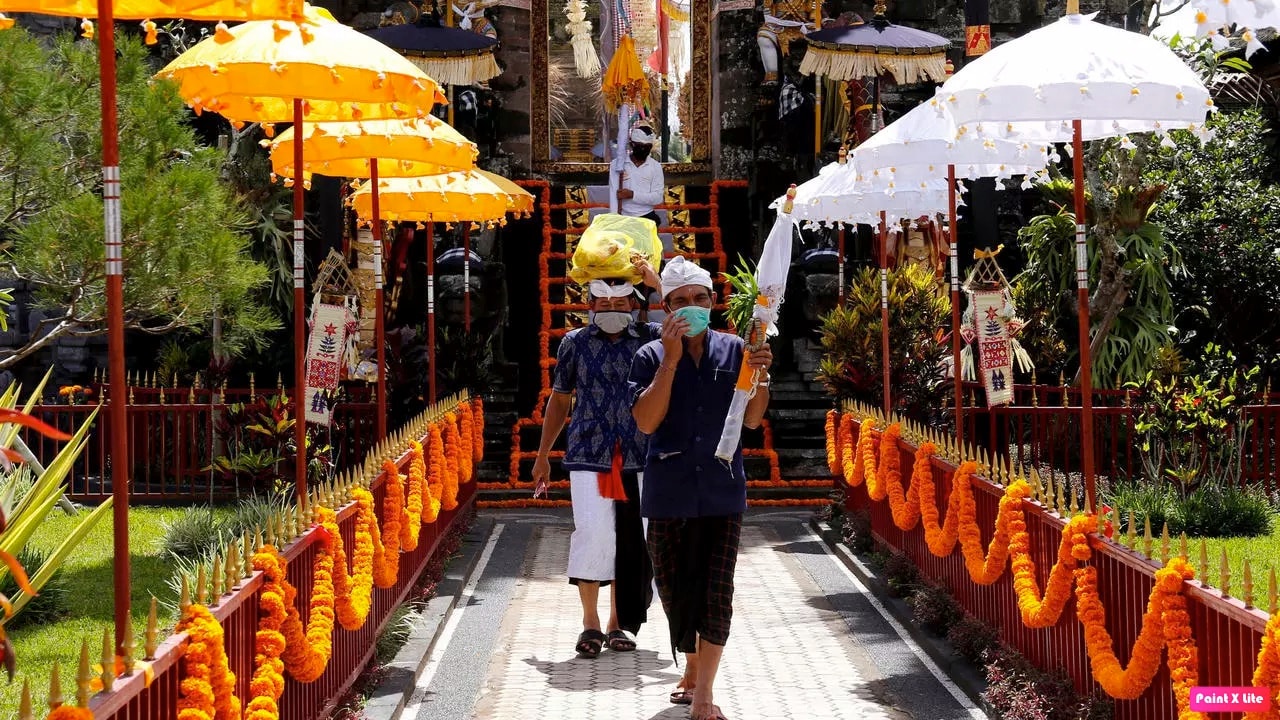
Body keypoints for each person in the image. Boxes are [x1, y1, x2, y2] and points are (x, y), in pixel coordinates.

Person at [628, 256, 773, 720]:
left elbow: (752, 419)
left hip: (720, 490)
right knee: (674, 590)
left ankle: (705, 692)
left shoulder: (736, 351)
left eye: (700, 299)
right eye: (680, 302)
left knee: (716, 591)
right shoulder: (648, 355)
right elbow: (647, 421)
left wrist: (761, 376)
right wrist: (669, 363)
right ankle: (691, 666)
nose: (691, 307)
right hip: (668, 491)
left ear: (712, 302)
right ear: (664, 308)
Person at [532, 260, 662, 659]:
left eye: (619, 302)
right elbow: (560, 398)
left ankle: (618, 621)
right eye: (602, 304)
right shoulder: (575, 342)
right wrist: (542, 456)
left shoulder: (653, 338)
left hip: (640, 454)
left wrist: (658, 287)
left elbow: (693, 337)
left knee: (633, 536)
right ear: (590, 305)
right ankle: (589, 621)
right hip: (590, 452)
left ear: (635, 302)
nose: (610, 310)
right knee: (593, 533)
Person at [617, 125, 665, 225]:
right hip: (623, 217)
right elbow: (613, 195)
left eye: (647, 147)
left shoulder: (655, 167)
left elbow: (658, 198)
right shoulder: (618, 165)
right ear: (632, 145)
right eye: (640, 146)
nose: (644, 149)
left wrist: (632, 195)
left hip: (646, 217)